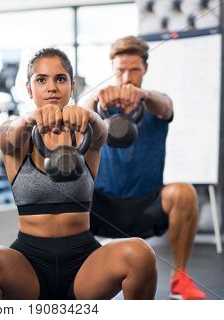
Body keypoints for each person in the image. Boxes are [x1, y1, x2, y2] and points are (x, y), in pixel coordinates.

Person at [0, 48, 157, 300]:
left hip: (84, 262)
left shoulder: (86, 131)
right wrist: (30, 119)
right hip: (29, 263)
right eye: (41, 80)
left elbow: (102, 133)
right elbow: (8, 136)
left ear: (71, 85)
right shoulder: (16, 132)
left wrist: (90, 115)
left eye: (60, 79)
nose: (52, 87)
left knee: (140, 253)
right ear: (29, 88)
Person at [84, 35, 206, 300]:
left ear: (145, 70)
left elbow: (166, 106)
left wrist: (144, 95)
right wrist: (94, 99)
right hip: (102, 207)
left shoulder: (156, 103)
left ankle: (180, 281)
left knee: (184, 193)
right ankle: (74, 273)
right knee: (69, 190)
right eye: (121, 71)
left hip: (147, 207)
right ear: (112, 70)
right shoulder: (99, 106)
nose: (127, 78)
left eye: (134, 70)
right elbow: (81, 116)